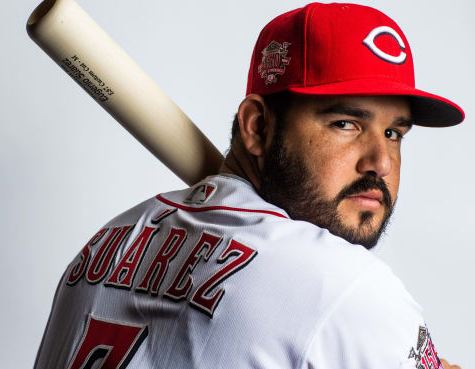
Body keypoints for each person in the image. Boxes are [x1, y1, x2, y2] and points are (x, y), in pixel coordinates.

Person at [34, 3, 464, 369]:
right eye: (346, 124)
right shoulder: (349, 290)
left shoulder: (107, 242)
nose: (382, 163)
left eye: (395, 133)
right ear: (257, 126)